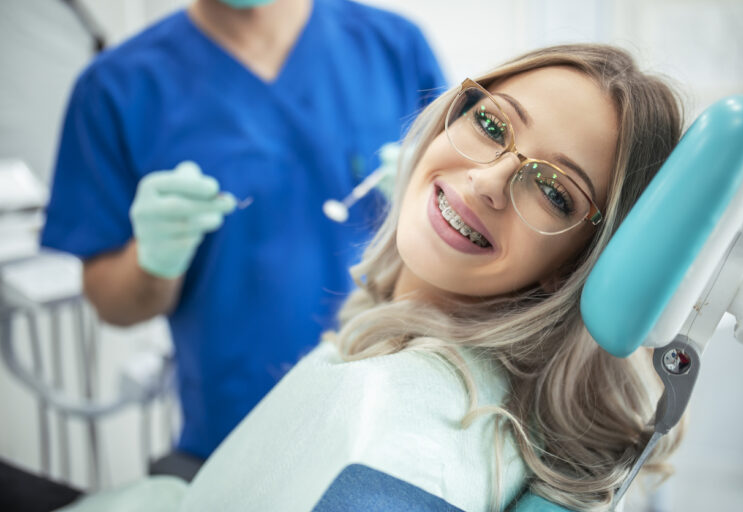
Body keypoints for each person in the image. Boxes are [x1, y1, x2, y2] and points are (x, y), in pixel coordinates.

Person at [55, 43, 685, 512]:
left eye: (553, 191)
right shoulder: (120, 82)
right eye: (492, 124)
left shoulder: (409, 433)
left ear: (577, 264)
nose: (487, 181)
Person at [40, 0, 445, 467]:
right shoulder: (117, 88)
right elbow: (112, 304)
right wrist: (153, 259)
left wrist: (430, 209)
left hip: (392, 421)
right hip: (234, 440)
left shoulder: (393, 47)